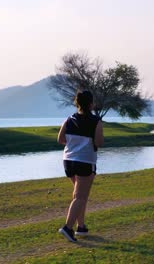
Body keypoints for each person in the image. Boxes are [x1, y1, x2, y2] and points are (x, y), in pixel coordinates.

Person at [57, 90, 104, 242]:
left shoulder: (69, 119)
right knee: (80, 196)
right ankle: (68, 228)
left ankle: (81, 227)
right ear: (91, 104)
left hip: (68, 160)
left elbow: (60, 139)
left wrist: (74, 144)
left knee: (79, 196)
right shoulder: (96, 121)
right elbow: (98, 143)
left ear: (77, 103)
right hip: (85, 161)